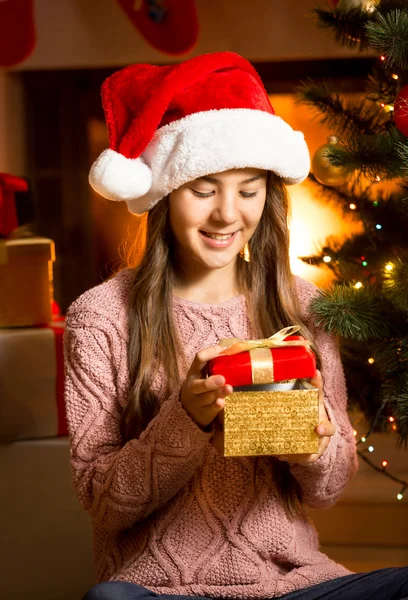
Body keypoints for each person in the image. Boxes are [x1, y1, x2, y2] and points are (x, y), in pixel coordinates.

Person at [63, 52, 408, 600]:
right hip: (159, 589)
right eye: (204, 190)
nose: (228, 214)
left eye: (248, 190)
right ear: (166, 196)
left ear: (267, 198)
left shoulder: (302, 308)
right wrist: (186, 419)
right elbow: (101, 499)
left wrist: (310, 443)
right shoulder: (102, 316)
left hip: (292, 585)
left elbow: (328, 487)